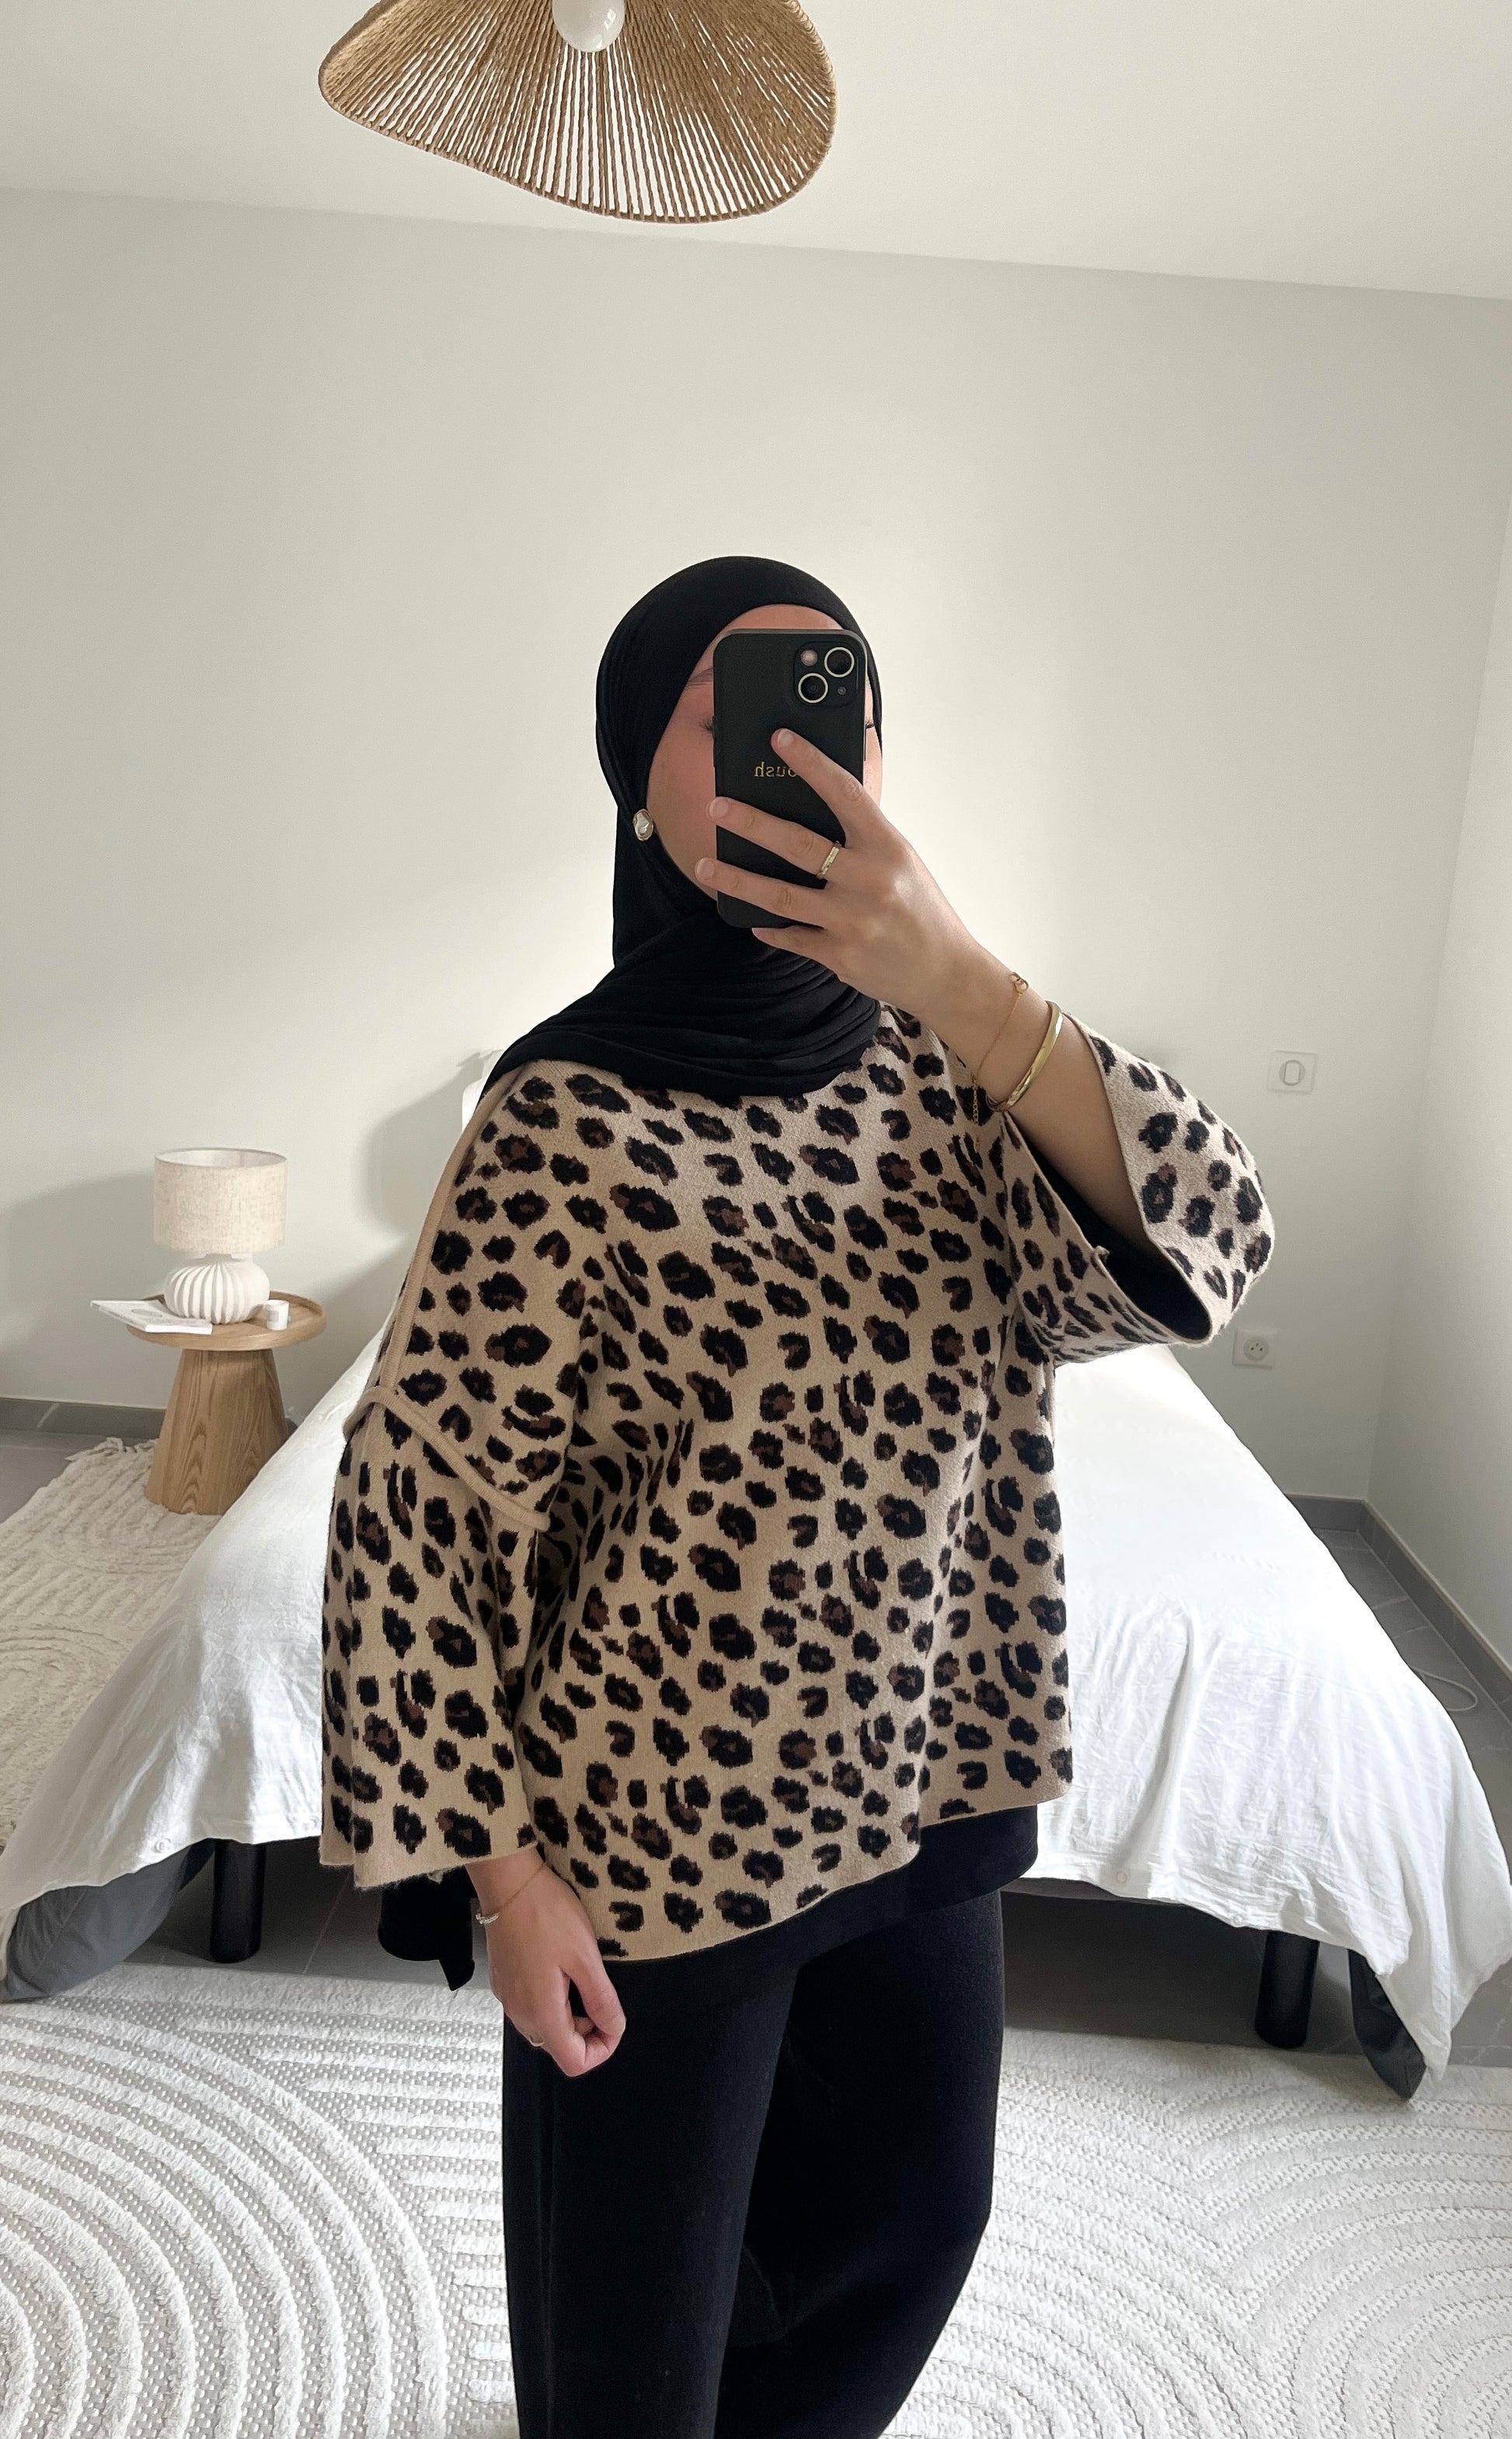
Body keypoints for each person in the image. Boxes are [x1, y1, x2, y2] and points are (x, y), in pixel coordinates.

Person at [319, 556, 1273, 2438]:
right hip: (654, 1839)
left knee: (912, 2220)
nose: (792, 756)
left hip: (923, 1774)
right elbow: (419, 1513)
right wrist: (501, 1875)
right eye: (726, 710)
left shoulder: (954, 1067)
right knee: (635, 2321)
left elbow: (1212, 1238)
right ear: (638, 776)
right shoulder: (561, 1111)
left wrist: (966, 982)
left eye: (838, 707)